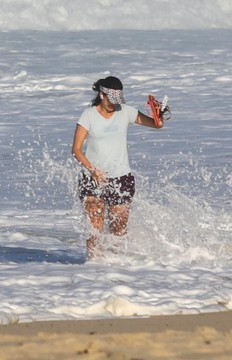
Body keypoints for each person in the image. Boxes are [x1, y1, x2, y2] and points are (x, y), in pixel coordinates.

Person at [71, 75, 167, 259]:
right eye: (111, 100)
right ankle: (94, 268)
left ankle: (117, 269)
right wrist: (92, 170)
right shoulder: (88, 115)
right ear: (102, 95)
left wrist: (159, 115)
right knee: (95, 231)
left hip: (121, 178)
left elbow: (157, 125)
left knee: (119, 232)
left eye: (117, 100)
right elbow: (76, 149)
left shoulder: (126, 111)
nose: (114, 105)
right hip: (93, 179)